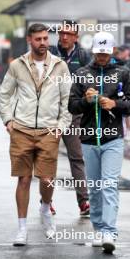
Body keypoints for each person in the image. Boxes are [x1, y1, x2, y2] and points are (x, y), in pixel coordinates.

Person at [0, 23, 72, 246]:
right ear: (29, 40)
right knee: (23, 178)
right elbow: (5, 95)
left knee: (47, 179)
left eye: (45, 39)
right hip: (21, 129)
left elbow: (67, 100)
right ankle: (22, 229)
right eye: (38, 39)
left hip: (49, 130)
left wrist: (61, 126)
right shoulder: (17, 66)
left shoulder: (59, 66)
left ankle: (45, 208)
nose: (43, 43)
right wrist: (8, 120)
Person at [68, 32, 130, 253]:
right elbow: (72, 106)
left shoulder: (123, 73)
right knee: (95, 188)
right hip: (89, 139)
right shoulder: (81, 73)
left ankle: (109, 231)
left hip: (113, 140)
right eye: (99, 52)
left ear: (111, 51)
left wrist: (115, 104)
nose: (102, 56)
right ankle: (99, 229)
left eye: (105, 52)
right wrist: (87, 100)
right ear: (93, 51)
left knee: (109, 185)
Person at [49, 20, 91, 216]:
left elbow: (90, 82)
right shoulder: (49, 52)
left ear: (76, 36)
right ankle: (46, 201)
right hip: (50, 115)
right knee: (47, 158)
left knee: (77, 158)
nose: (64, 36)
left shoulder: (83, 56)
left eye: (68, 33)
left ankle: (84, 202)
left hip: (74, 114)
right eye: (61, 32)